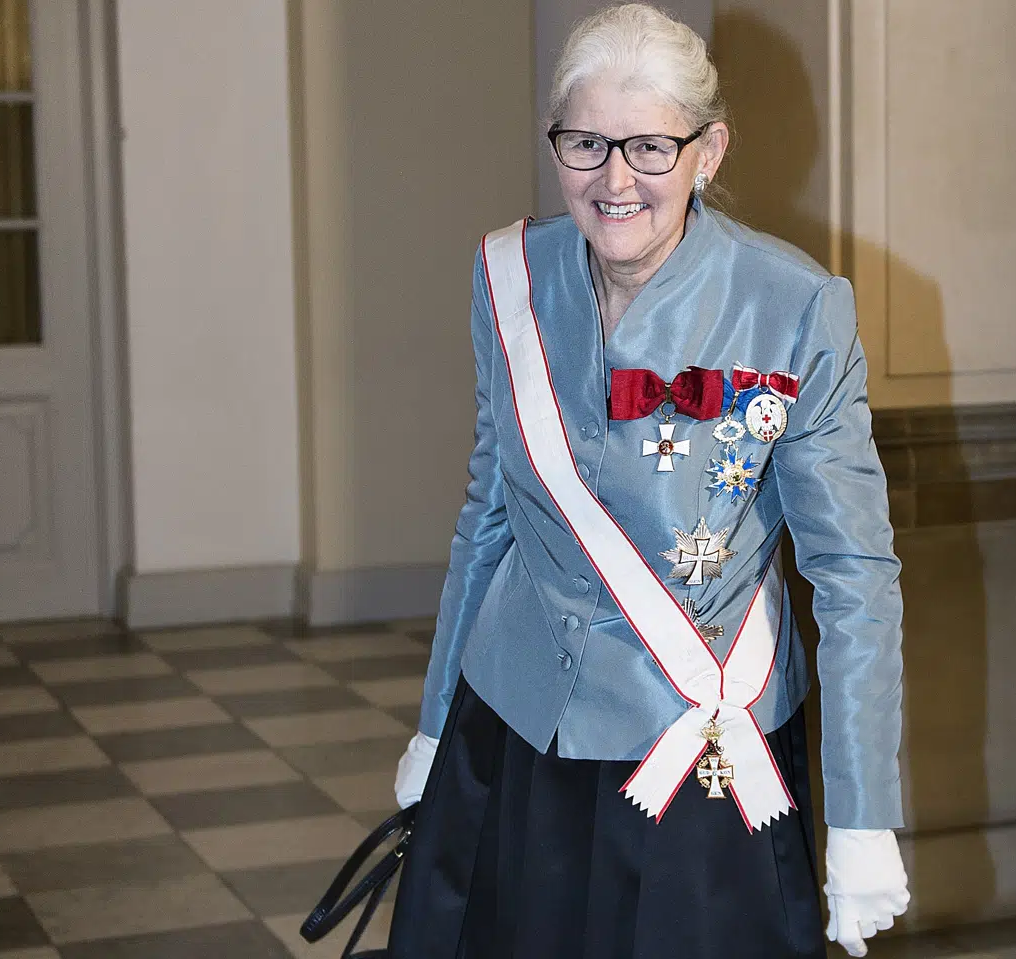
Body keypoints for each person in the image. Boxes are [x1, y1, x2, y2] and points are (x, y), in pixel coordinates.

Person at [387, 6, 908, 957]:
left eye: (651, 147)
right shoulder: (510, 276)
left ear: (709, 152)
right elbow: (488, 512)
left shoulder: (793, 307)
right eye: (586, 142)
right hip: (514, 734)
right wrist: (431, 725)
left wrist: (865, 816)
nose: (615, 179)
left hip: (700, 758)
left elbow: (855, 576)